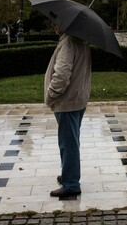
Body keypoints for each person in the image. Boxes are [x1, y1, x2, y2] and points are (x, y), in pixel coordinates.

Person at [44, 23, 92, 199]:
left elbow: (62, 75)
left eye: (55, 22)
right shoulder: (80, 39)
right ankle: (68, 175)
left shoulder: (68, 42)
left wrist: (50, 96)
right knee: (71, 140)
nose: (53, 25)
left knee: (67, 143)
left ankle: (71, 184)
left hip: (67, 101)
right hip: (77, 99)